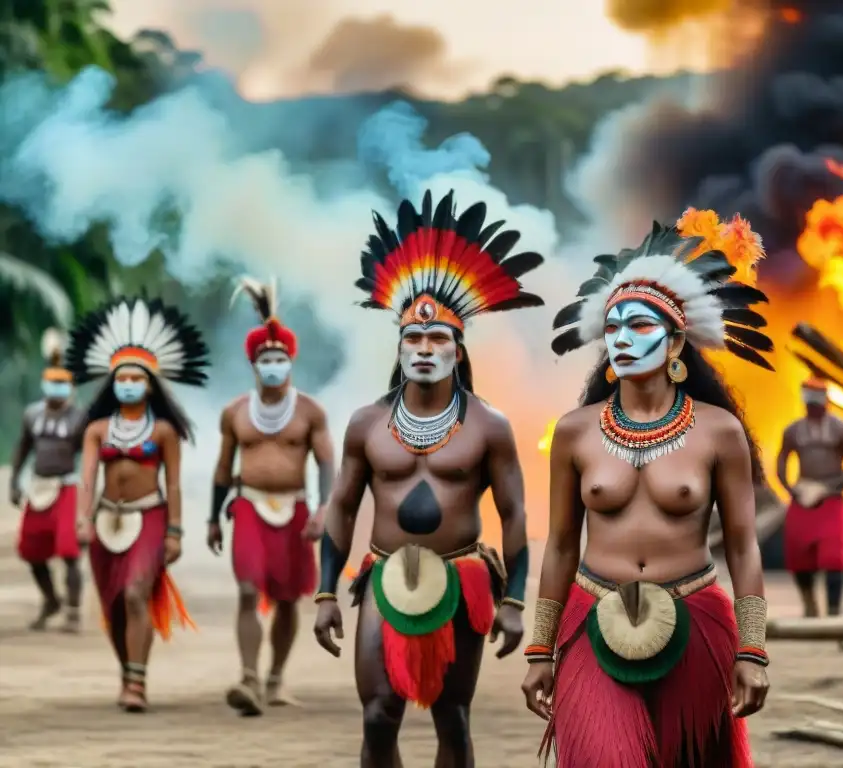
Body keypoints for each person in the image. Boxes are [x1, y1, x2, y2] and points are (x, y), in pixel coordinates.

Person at [522, 209, 774, 767]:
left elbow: (743, 545)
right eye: (612, 328)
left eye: (640, 326)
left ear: (677, 340)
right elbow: (562, 544)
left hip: (697, 618)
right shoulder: (574, 431)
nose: (622, 339)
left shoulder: (718, 430)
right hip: (592, 619)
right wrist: (541, 648)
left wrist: (753, 649)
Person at [313, 189, 541, 767]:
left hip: (461, 579)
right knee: (377, 715)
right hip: (384, 577)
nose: (423, 348)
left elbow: (515, 515)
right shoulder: (367, 423)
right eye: (412, 338)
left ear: (458, 351)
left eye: (438, 338)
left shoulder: (489, 425)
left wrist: (513, 600)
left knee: (453, 720)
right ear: (398, 346)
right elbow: (341, 507)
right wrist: (324, 593)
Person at [67, 296, 209, 712]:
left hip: (149, 516)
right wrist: (82, 518)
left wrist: (176, 531)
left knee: (134, 595)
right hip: (106, 520)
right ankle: (128, 671)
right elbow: (88, 476)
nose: (128, 383)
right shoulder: (96, 429)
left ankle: (137, 684)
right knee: (113, 602)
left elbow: (175, 483)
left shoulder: (164, 431)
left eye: (136, 377)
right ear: (112, 382)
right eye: (122, 377)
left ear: (150, 384)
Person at [207, 277, 334, 716]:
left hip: (295, 509)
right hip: (247, 506)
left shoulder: (311, 412)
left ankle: (276, 678)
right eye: (266, 358)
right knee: (247, 590)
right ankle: (248, 678)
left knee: (286, 599)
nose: (273, 364)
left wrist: (323, 508)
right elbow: (223, 468)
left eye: (280, 357)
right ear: (254, 364)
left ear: (291, 360)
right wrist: (210, 518)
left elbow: (327, 464)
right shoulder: (235, 412)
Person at [8, 328, 86, 632]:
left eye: (61, 384)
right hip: (38, 486)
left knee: (69, 551)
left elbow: (89, 454)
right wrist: (14, 481)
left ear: (71, 387)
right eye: (51, 383)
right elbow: (22, 448)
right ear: (44, 384)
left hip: (66, 486)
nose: (55, 388)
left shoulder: (79, 418)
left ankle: (74, 611)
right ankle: (51, 598)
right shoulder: (32, 415)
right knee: (30, 549)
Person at [777, 377, 843, 617]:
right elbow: (782, 460)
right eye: (810, 400)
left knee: (834, 556)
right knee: (798, 554)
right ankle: (810, 605)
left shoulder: (842, 430)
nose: (813, 406)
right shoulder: (793, 431)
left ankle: (834, 611)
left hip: (832, 500)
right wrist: (792, 489)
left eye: (818, 400)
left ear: (827, 400)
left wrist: (833, 485)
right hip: (802, 498)